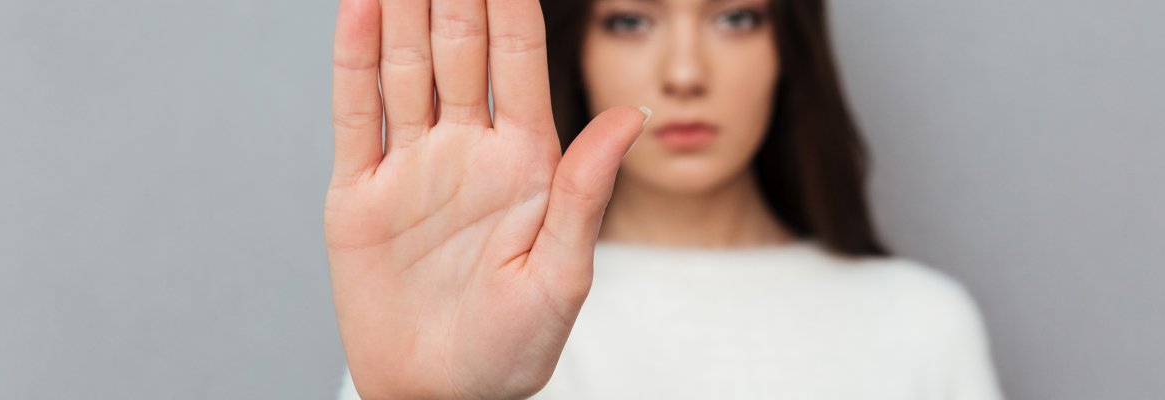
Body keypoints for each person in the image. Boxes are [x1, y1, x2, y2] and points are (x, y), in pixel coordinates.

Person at [324, 0, 1004, 398]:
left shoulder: (920, 322)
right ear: (577, 48)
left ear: (789, 49)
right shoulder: (465, 302)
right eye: (631, 21)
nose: (685, 73)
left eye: (735, 17)